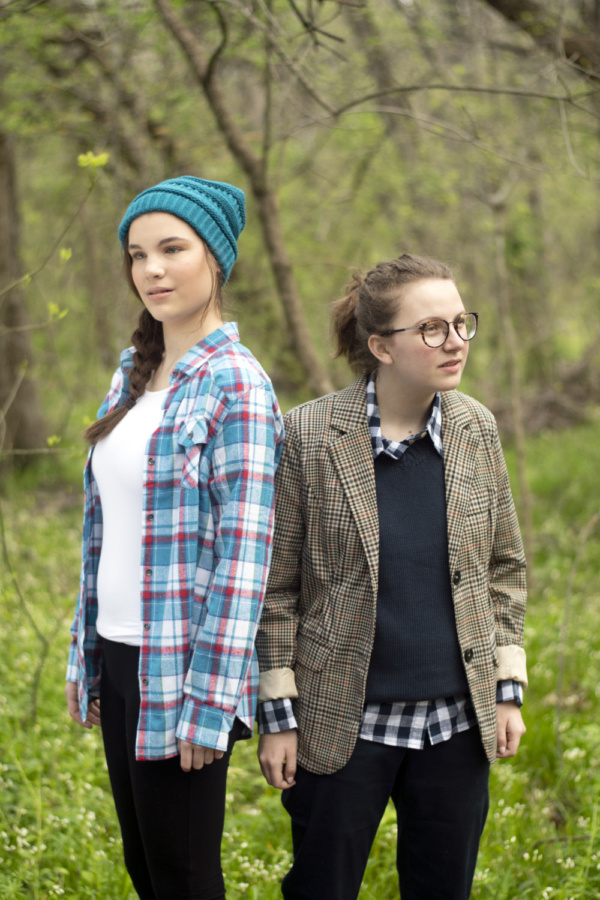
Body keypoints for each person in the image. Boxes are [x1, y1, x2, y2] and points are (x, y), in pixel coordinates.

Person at [256, 254, 527, 900]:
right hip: (340, 722)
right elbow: (276, 589)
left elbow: (505, 567)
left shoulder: (475, 429)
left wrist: (507, 682)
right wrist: (278, 712)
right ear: (380, 345)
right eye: (432, 328)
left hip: (455, 727)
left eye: (462, 323)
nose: (456, 340)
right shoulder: (310, 434)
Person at [65, 175, 284, 900]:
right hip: (121, 657)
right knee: (147, 872)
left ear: (215, 258)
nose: (151, 269)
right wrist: (88, 654)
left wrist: (210, 701)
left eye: (171, 249)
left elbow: (244, 560)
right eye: (137, 254)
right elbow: (106, 531)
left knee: (185, 878)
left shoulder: (238, 386)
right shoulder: (132, 373)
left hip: (183, 673)